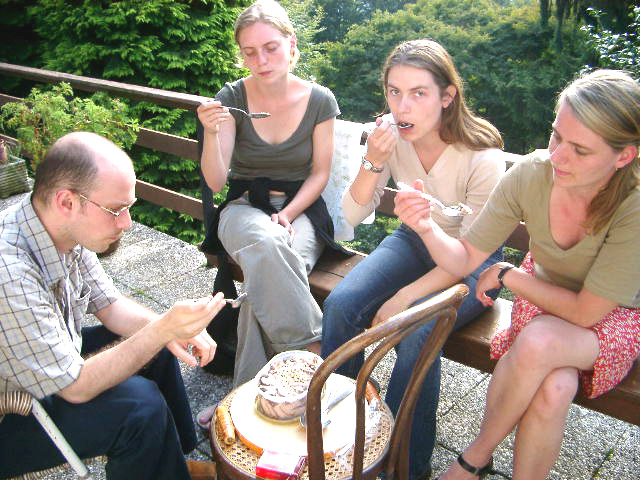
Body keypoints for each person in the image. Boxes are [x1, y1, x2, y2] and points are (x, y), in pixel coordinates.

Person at [394, 69, 640, 480]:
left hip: (613, 317)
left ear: (624, 156)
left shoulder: (633, 205)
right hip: (543, 298)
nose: (558, 157)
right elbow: (466, 258)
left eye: (580, 150)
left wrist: (508, 275)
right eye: (557, 136)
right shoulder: (531, 173)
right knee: (555, 388)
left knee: (541, 342)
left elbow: (586, 312)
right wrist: (426, 227)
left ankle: (473, 459)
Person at [321, 39, 506, 480]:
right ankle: (341, 427)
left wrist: (403, 298)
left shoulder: (482, 155)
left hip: (476, 260)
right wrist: (373, 160)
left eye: (418, 93)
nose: (402, 106)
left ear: (447, 96)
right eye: (394, 91)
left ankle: (404, 462)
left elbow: (466, 258)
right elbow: (352, 215)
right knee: (340, 304)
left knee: (417, 331)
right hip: (415, 239)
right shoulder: (392, 139)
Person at [0, 132, 223, 480]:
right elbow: (76, 387)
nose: (127, 223)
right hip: (13, 412)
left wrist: (169, 330)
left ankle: (174, 465)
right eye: (116, 210)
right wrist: (162, 329)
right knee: (139, 406)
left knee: (157, 347)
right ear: (66, 201)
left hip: (48, 362)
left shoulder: (61, 229)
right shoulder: (9, 272)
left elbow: (110, 305)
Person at [195, 0, 344, 421]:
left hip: (302, 210)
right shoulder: (231, 98)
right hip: (245, 208)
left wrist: (289, 214)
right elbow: (215, 181)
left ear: (291, 45)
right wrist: (212, 133)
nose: (260, 60)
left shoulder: (320, 100)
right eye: (249, 52)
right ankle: (316, 354)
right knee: (266, 246)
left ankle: (242, 403)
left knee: (269, 283)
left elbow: (320, 173)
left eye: (270, 48)